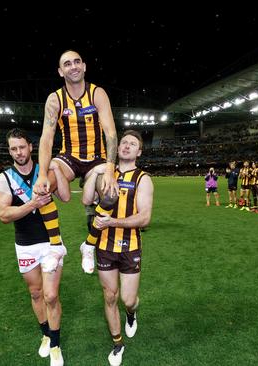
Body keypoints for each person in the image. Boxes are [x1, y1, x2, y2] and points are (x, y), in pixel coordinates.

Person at [34, 50, 119, 274]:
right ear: (61, 71)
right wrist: (43, 173)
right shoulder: (55, 99)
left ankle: (88, 245)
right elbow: (46, 138)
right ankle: (56, 246)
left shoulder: (97, 93)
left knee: (111, 195)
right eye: (67, 64)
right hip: (69, 158)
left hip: (96, 159)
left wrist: (110, 170)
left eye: (77, 62)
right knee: (41, 191)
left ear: (84, 66)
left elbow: (111, 133)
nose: (73, 66)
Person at [0, 129, 70, 366]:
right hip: (25, 245)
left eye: (22, 147)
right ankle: (46, 335)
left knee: (51, 295)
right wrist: (33, 203)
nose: (19, 152)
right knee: (36, 293)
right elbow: (4, 215)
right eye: (13, 149)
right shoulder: (3, 179)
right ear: (9, 151)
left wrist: (57, 171)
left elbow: (65, 197)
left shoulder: (43, 172)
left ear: (31, 147)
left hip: (50, 243)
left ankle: (55, 345)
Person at [81, 130, 153, 366]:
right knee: (110, 296)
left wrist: (113, 222)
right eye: (124, 142)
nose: (127, 146)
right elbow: (86, 199)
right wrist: (95, 173)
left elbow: (144, 218)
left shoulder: (143, 178)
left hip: (130, 246)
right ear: (118, 147)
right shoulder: (106, 173)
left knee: (128, 299)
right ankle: (117, 343)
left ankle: (131, 314)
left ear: (139, 152)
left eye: (133, 144)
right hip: (104, 245)